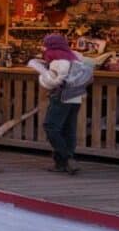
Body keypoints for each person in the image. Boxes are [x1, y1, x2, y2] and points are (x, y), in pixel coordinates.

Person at [34, 33, 87, 174]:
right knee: (69, 129)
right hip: (76, 97)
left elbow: (51, 82)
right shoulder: (75, 57)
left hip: (61, 96)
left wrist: (41, 74)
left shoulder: (57, 60)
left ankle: (67, 157)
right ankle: (62, 164)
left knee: (51, 126)